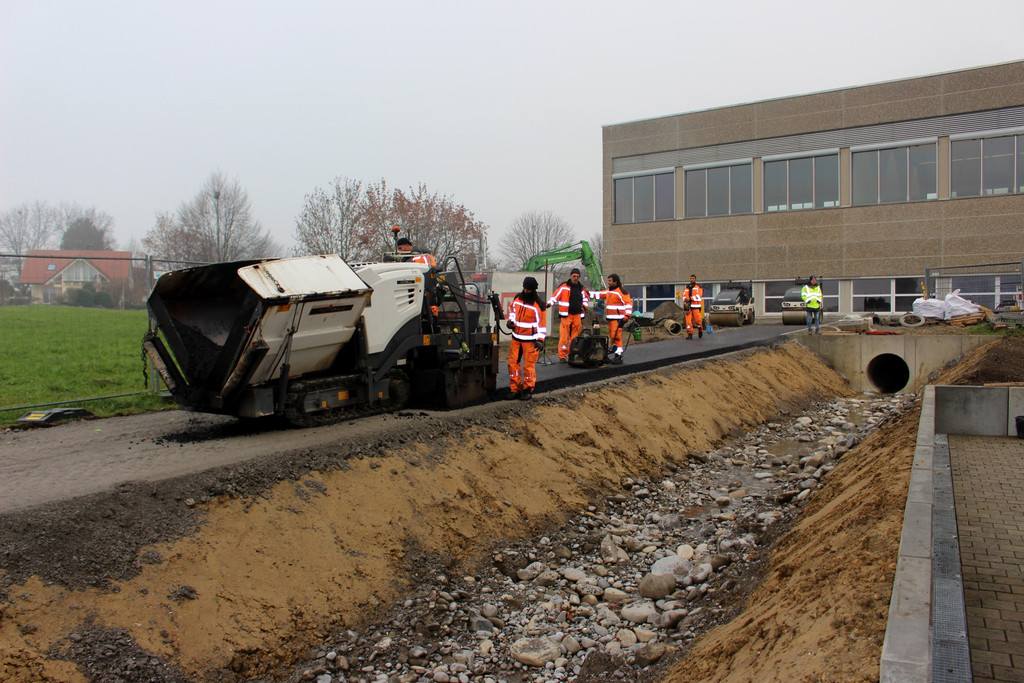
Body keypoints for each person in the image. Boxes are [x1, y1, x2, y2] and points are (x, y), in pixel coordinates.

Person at [506, 276, 546, 400]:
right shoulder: (517, 298)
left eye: (529, 289)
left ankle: (528, 389)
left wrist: (540, 340)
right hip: (516, 338)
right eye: (525, 288)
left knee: (529, 366)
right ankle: (515, 389)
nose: (526, 290)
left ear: (533, 289)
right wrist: (510, 321)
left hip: (530, 340)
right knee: (513, 364)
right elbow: (513, 312)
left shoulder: (539, 304)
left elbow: (542, 324)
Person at [546, 268, 589, 363]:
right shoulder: (563, 287)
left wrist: (584, 306)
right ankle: (562, 356)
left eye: (577, 276)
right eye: (574, 276)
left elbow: (586, 298)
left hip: (577, 315)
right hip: (566, 315)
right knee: (564, 337)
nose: (576, 278)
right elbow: (555, 297)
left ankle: (572, 354)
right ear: (570, 276)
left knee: (575, 338)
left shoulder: (581, 288)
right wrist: (548, 304)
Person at [591, 274, 632, 364]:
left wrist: (627, 315)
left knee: (616, 337)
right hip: (611, 318)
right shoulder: (610, 291)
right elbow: (600, 294)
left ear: (615, 282)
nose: (608, 282)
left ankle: (619, 356)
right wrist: (588, 293)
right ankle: (616, 354)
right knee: (613, 337)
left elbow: (628, 303)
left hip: (618, 319)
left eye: (610, 281)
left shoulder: (621, 291)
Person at [680, 274, 704, 340]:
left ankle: (700, 330)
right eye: (691, 278)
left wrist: (690, 299)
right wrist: (685, 299)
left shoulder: (698, 287)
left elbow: (698, 296)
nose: (691, 279)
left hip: (696, 307)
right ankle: (690, 334)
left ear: (695, 279)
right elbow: (683, 296)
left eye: (693, 278)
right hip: (688, 307)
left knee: (698, 321)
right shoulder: (686, 288)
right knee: (688, 322)